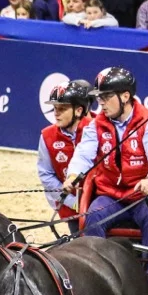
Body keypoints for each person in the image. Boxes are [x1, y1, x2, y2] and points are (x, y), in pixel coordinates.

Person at [63, 66, 148, 263]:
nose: (101, 103)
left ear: (125, 96)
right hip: (111, 194)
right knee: (92, 217)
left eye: (106, 97)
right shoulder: (95, 125)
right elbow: (83, 155)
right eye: (99, 98)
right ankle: (94, 271)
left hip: (145, 194)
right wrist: (72, 176)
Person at [37, 78, 94, 221]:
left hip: (100, 204)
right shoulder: (47, 136)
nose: (56, 113)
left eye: (62, 108)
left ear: (78, 110)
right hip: (71, 208)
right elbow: (46, 175)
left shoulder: (96, 129)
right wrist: (71, 201)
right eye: (55, 108)